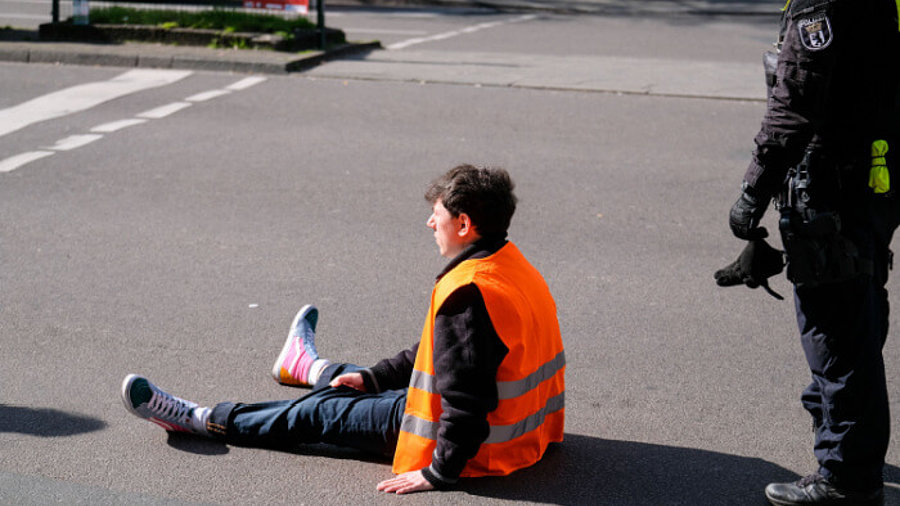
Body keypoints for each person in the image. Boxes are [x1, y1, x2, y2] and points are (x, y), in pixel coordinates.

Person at [121, 164, 565, 494]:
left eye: (438, 215)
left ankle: (200, 419)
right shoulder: (509, 266)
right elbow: (443, 356)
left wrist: (439, 472)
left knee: (318, 413)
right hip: (522, 435)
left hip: (470, 444)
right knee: (355, 387)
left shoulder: (467, 294)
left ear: (464, 224)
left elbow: (467, 400)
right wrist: (372, 378)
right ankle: (309, 368)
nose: (431, 223)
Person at [726, 0, 899, 504]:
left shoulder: (821, 2)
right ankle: (846, 435)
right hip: (876, 172)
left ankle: (846, 477)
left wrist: (754, 190)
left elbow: (797, 96)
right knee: (862, 303)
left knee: (836, 326)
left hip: (833, 181)